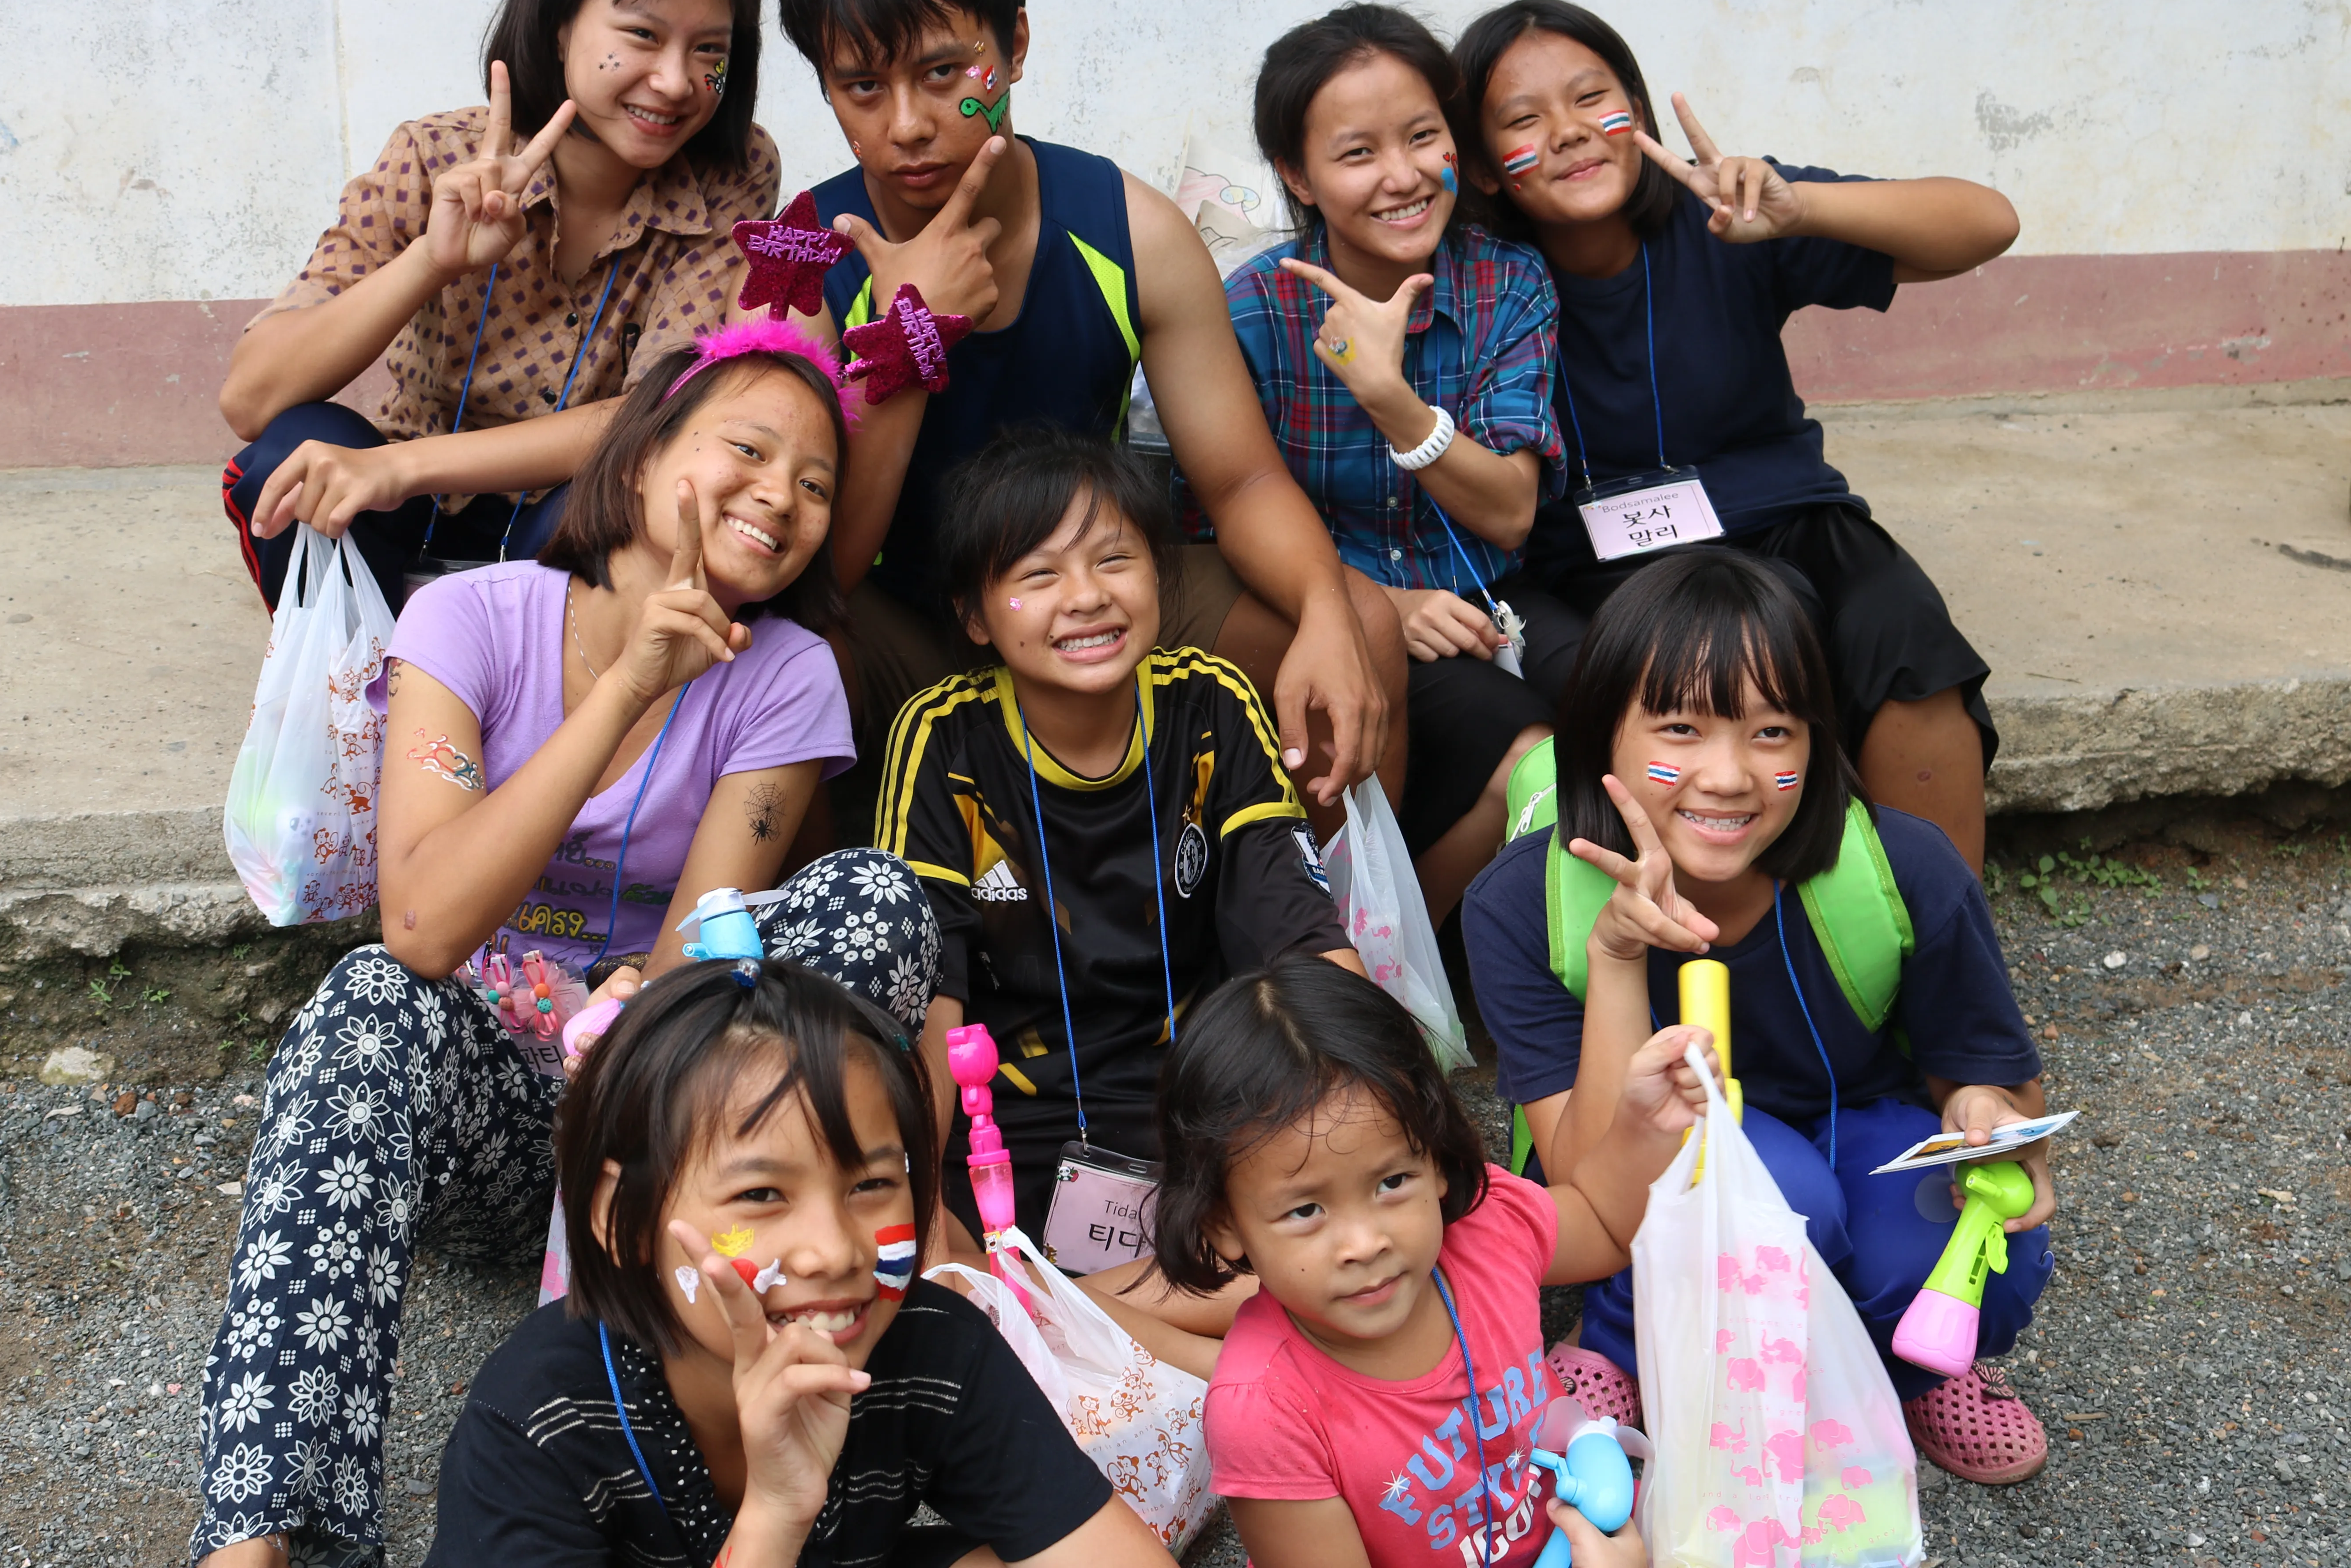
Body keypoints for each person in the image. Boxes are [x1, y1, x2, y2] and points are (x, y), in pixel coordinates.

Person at [189, 331, 944, 1567]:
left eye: (815, 483)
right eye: (747, 453)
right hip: (500, 1109)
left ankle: (755, 1409)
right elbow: (425, 926)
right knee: (369, 999)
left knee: (871, 895)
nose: (782, 497)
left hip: (670, 1147)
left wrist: (641, 1019)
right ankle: (268, 1533)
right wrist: (629, 684)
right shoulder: (466, 618)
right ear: (640, 455)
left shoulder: (791, 674)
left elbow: (711, 960)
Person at [775, 0, 1400, 812]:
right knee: (781, 650)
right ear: (826, 86)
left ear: (1014, 46)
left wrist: (1322, 612)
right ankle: (811, 950)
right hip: (896, 614)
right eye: (863, 87)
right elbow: (825, 561)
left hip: (1089, 587)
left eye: (946, 74)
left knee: (1360, 619)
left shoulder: (1129, 230)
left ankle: (1332, 944)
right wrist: (911, 338)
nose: (905, 123)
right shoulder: (800, 248)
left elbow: (1242, 482)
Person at [1461, 548, 2056, 1485]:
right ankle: (1620, 1338)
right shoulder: (1518, 903)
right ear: (1599, 733)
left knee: (1972, 1241)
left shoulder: (1905, 866)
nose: (1730, 775)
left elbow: (1990, 1075)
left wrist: (1995, 1123)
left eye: (1772, 731)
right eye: (1681, 728)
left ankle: (1908, 1362)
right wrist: (1617, 955)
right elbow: (1581, 1175)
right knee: (1785, 1213)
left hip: (1861, 1123)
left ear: (1819, 742)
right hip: (1642, 1157)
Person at [1450, 0, 2020, 872]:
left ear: (1636, 112)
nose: (1567, 132)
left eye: (1592, 97)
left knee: (1902, 637)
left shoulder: (1721, 210)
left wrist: (1805, 211)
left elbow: (1988, 222)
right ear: (1487, 167)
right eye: (1523, 120)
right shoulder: (1476, 282)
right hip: (1585, 564)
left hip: (1783, 518)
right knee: (1670, 691)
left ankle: (1945, 957)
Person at [425, 956, 1175, 1567]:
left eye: (873, 1184)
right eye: (760, 1194)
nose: (834, 1250)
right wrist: (777, 1513)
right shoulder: (537, 1421)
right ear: (622, 1218)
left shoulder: (932, 1354)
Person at [875, 431, 1361, 1307]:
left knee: (1325, 1247)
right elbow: (926, 988)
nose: (1088, 597)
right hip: (1008, 1118)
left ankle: (1085, 1314)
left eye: (1114, 560)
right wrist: (913, 1204)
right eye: (1039, 574)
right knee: (949, 1284)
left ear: (1158, 573)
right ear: (977, 615)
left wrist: (1380, 1118)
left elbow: (1298, 927)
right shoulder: (945, 737)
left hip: (1203, 1096)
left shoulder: (1208, 703)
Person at [218, 0, 781, 613]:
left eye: (710, 51)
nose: (676, 83)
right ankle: (356, 699)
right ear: (558, 27)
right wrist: (433, 261)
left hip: (564, 514)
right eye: (642, 36)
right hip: (404, 515)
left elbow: (660, 415)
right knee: (293, 454)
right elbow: (251, 397)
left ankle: (550, 708)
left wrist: (402, 468)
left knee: (649, 502)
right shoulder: (431, 157)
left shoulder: (731, 174)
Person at [1152, 958, 1710, 1568]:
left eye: (1392, 1180)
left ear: (1437, 1159)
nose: (1364, 1243)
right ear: (1223, 1224)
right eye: (1306, 1210)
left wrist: (1645, 1126)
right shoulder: (1266, 1415)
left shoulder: (1483, 1231)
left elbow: (1603, 1225)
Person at [1216, 3, 1568, 913]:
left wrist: (1389, 397)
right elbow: (1209, 522)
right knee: (1530, 754)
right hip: (1335, 619)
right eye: (1358, 152)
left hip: (1495, 611)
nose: (1405, 177)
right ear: (1298, 173)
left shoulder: (1506, 281)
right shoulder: (1252, 314)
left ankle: (1426, 968)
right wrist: (1383, 601)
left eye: (1423, 137)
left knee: (1605, 732)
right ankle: (1382, 970)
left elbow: (1510, 511)